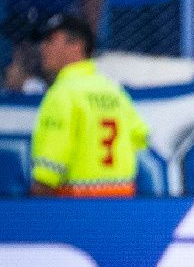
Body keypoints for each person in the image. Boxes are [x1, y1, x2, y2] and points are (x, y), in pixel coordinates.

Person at [30, 13, 149, 197]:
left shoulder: (63, 93)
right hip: (121, 200)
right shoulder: (114, 91)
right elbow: (139, 137)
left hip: (76, 205)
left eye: (50, 40)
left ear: (77, 45)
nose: (42, 48)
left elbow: (48, 171)